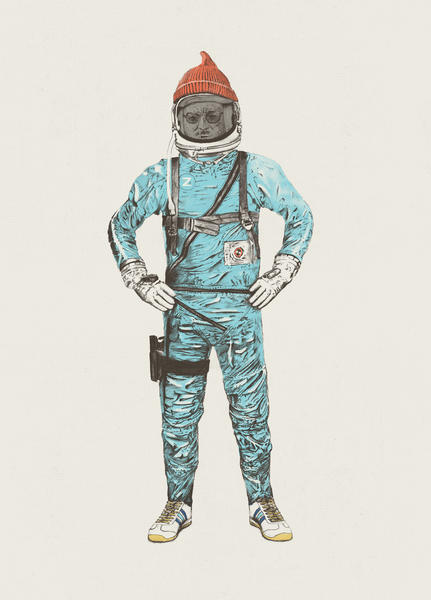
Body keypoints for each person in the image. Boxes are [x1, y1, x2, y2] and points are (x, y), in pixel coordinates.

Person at [108, 51, 313, 543]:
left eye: (212, 115)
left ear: (233, 116)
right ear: (176, 119)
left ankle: (261, 500)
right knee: (179, 413)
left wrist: (281, 272)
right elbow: (120, 226)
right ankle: (177, 502)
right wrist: (141, 279)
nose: (202, 126)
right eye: (192, 117)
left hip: (241, 313)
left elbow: (301, 215)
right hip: (183, 315)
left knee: (250, 410)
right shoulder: (162, 177)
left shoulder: (256, 171)